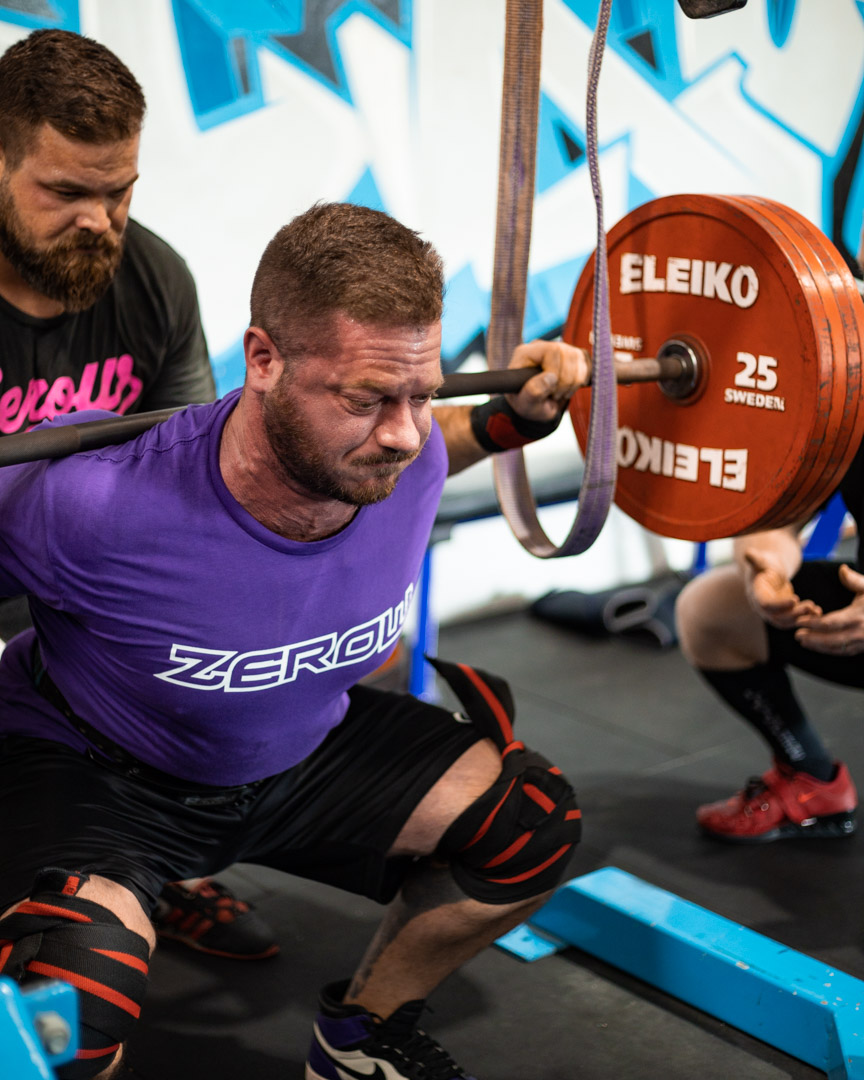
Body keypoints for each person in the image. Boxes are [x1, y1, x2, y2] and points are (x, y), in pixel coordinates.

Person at [0, 200, 587, 1080]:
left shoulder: (410, 455)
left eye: (420, 395)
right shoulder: (97, 508)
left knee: (529, 823)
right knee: (67, 990)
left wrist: (523, 411)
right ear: (264, 360)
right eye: (364, 399)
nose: (401, 432)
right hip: (100, 768)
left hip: (299, 757)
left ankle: (362, 1040)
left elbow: (452, 437)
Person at [0, 27, 276, 961]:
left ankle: (158, 866)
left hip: (91, 590)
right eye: (66, 192)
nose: (97, 219)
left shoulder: (153, 279)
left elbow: (189, 470)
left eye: (116, 192)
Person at [675, 442, 864, 842]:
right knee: (710, 611)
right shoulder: (851, 395)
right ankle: (811, 782)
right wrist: (767, 572)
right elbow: (781, 515)